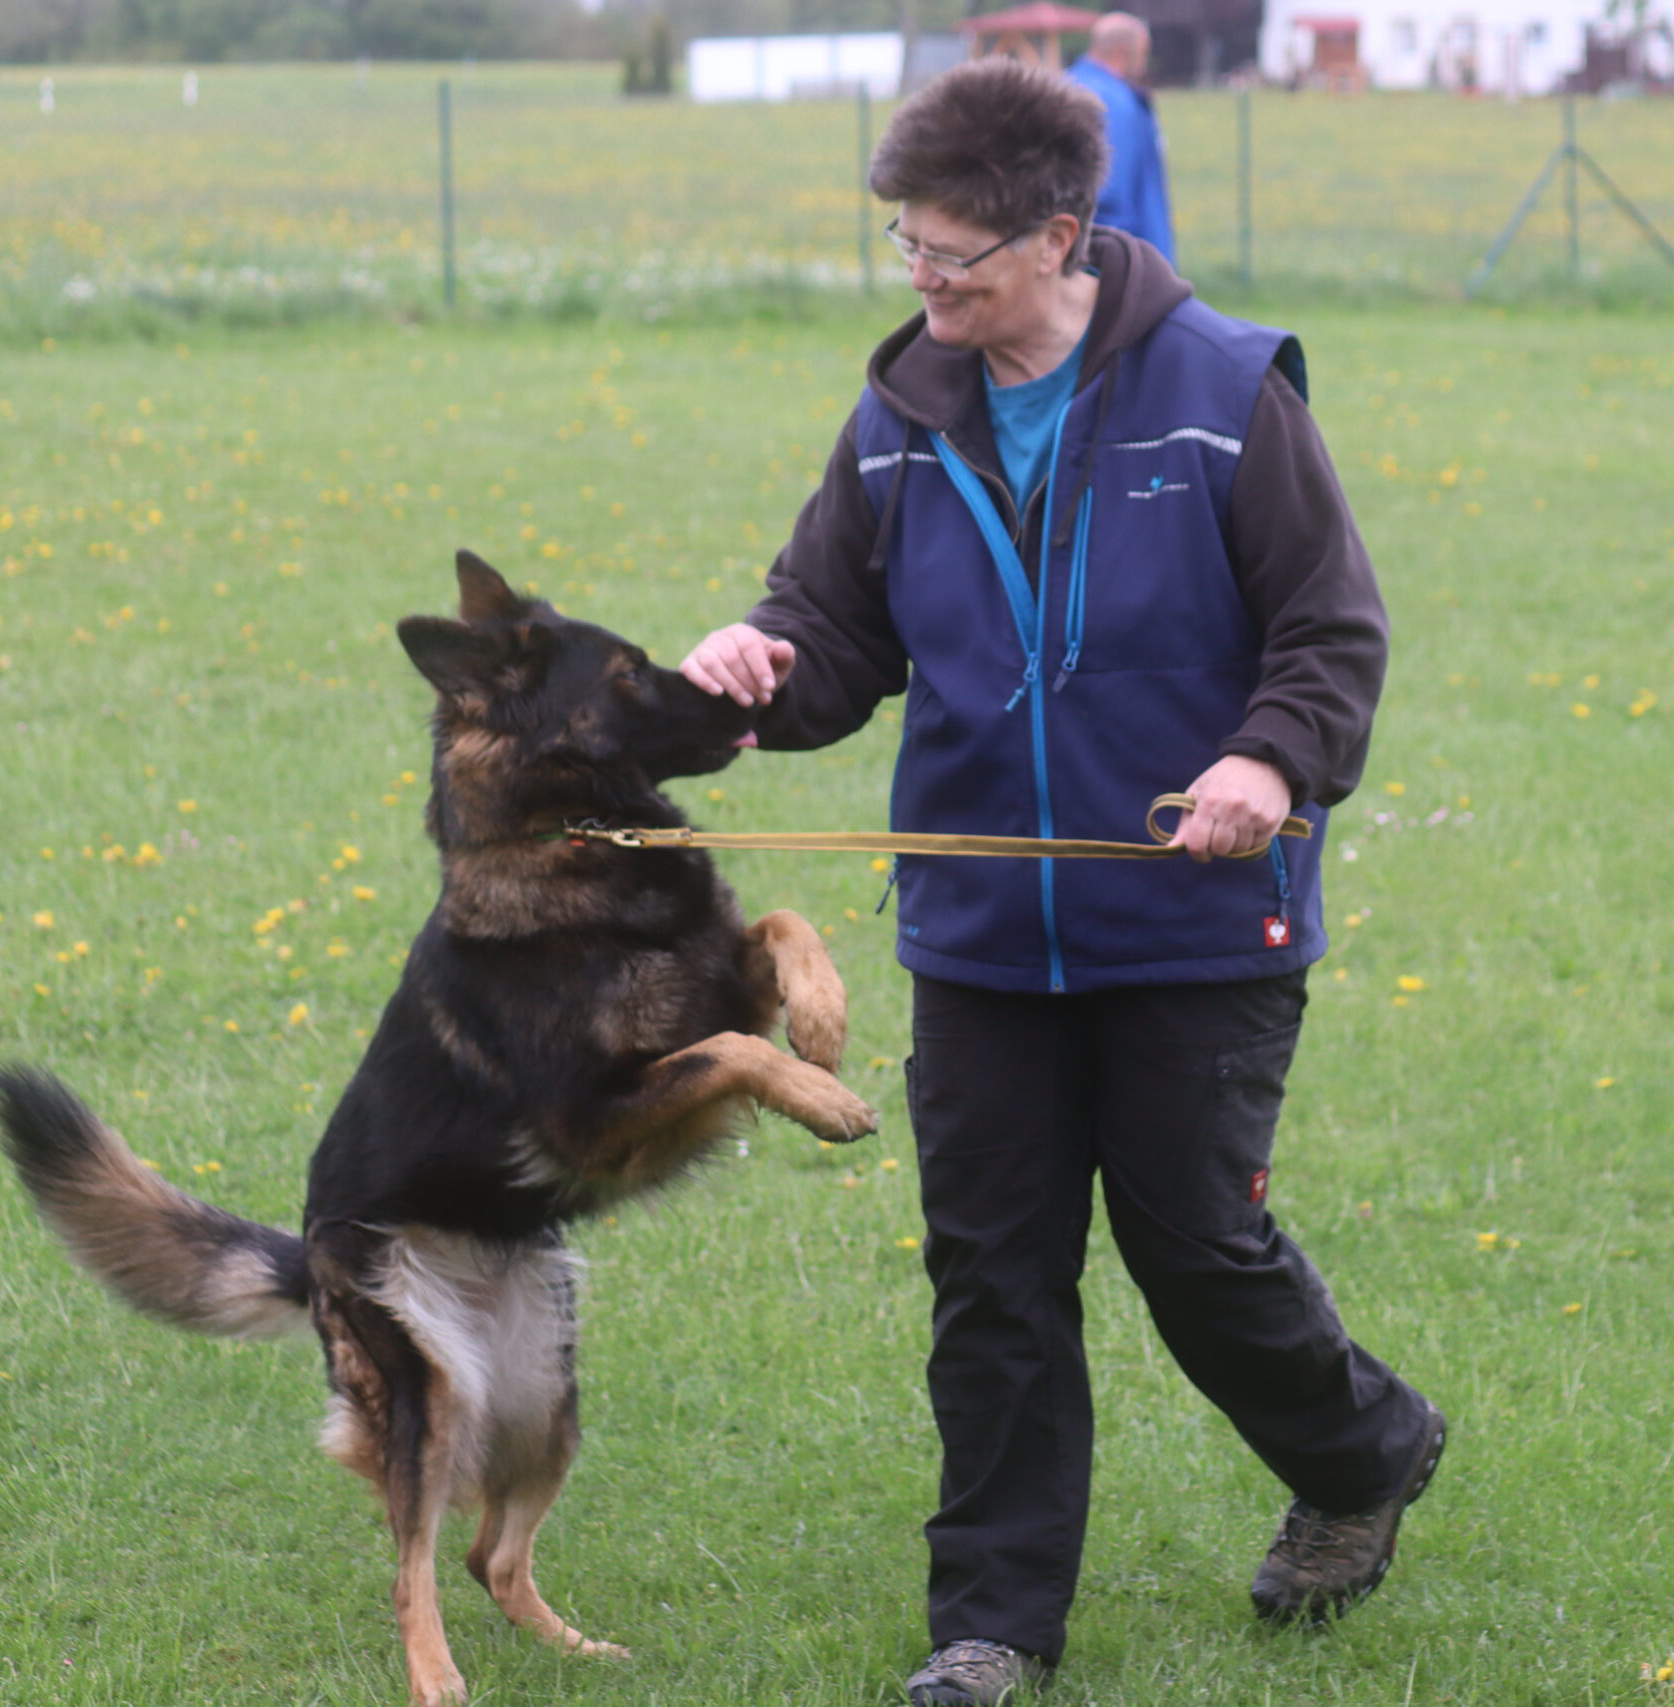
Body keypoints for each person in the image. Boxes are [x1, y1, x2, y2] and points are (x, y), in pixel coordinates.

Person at [679, 58, 1443, 1707]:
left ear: (1059, 235)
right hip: (980, 937)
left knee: (1195, 1246)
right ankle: (994, 1623)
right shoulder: (899, 419)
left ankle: (1365, 1450)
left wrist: (1269, 762)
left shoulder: (1222, 389)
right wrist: (753, 674)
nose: (925, 279)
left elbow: (1331, 627)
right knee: (994, 1273)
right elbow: (831, 633)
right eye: (906, 244)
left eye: (954, 253)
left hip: (1194, 922)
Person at [1067, 13, 1175, 264]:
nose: (1144, 65)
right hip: (1117, 259)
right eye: (1143, 54)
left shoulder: (1064, 84)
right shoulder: (1115, 102)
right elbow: (1110, 194)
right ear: (1124, 50)